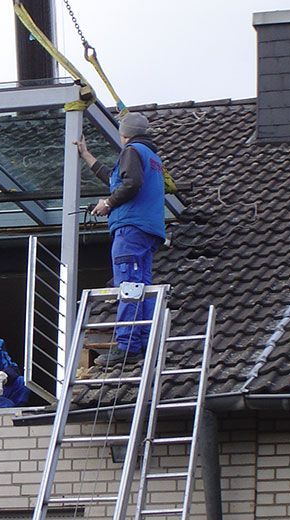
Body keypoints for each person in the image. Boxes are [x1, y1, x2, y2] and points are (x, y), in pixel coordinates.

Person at [75, 112, 166, 366]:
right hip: (147, 230)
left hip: (131, 228)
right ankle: (145, 344)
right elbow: (117, 179)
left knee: (128, 284)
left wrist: (108, 203)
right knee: (142, 287)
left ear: (123, 133)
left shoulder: (131, 151)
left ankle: (127, 346)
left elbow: (131, 184)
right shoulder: (151, 156)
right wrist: (87, 156)